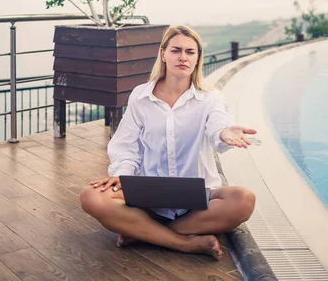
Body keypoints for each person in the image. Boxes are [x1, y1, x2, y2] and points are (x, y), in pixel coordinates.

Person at [80, 25, 256, 260]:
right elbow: (125, 146)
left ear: (197, 58)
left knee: (243, 200)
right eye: (176, 50)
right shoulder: (140, 97)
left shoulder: (211, 99)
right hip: (149, 199)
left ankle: (143, 233)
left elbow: (218, 125)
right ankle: (183, 243)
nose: (183, 57)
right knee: (90, 196)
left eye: (190, 52)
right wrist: (122, 174)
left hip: (199, 200)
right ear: (163, 53)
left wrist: (224, 132)